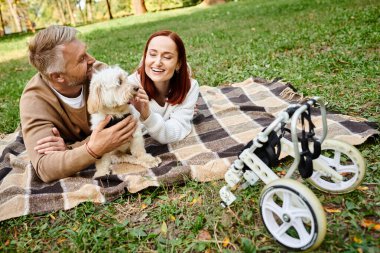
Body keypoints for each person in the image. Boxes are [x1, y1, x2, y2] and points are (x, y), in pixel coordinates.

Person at [20, 25, 137, 183]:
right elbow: (45, 168)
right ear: (58, 76)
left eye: (85, 52)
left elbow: (123, 128)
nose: (92, 60)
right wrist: (92, 149)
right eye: (81, 59)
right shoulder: (34, 102)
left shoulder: (100, 75)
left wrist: (71, 150)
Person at [129, 30, 200, 144]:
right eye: (152, 54)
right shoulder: (130, 88)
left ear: (178, 63)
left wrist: (147, 116)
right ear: (145, 57)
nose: (157, 62)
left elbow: (174, 133)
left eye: (167, 57)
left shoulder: (190, 87)